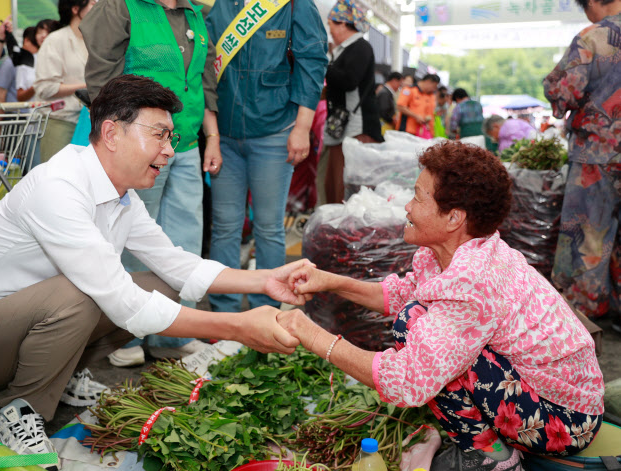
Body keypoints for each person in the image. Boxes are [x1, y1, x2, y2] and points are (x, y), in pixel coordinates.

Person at [0, 74, 309, 458]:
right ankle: (17, 410)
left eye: (171, 138)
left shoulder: (121, 195)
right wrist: (238, 328)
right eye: (159, 135)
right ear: (111, 133)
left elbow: (177, 265)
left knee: (160, 285)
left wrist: (266, 281)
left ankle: (61, 376)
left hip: (22, 330)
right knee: (82, 293)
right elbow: (120, 299)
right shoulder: (58, 186)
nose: (169, 151)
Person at [278, 141, 604, 470]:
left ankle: (490, 458)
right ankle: (485, 442)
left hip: (566, 420)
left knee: (416, 327)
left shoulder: (472, 283)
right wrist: (328, 281)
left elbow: (407, 381)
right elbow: (403, 295)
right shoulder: (461, 252)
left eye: (418, 197)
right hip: (538, 392)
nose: (407, 207)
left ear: (453, 218)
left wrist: (311, 334)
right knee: (416, 317)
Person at [79, 0, 224, 364]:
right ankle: (122, 337)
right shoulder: (120, 7)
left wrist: (213, 137)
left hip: (186, 142)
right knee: (129, 238)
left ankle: (173, 336)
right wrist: (114, 142)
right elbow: (100, 80)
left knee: (185, 238)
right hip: (137, 145)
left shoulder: (195, 15)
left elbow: (204, 85)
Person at [204, 0, 328, 313]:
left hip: (275, 130)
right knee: (224, 226)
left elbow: (311, 62)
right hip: (225, 132)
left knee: (269, 227)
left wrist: (302, 127)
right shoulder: (215, 5)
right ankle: (224, 311)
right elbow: (204, 69)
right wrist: (212, 135)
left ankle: (268, 309)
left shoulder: (294, 4)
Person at [544, 0, 621, 334]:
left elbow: (564, 90)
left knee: (590, 235)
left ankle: (585, 319)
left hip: (599, 155)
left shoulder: (593, 37)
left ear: (591, 3)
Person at [321, 0, 377, 204]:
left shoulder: (360, 47)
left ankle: (342, 229)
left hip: (356, 128)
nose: (330, 31)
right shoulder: (342, 50)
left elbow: (349, 80)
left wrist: (323, 62)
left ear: (343, 24)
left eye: (331, 25)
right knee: (334, 181)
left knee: (345, 184)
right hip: (341, 127)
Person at [34, 0, 93, 162]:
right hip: (61, 121)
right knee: (56, 177)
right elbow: (45, 87)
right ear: (75, 9)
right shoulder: (56, 40)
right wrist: (86, 87)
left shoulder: (96, 41)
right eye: (92, 4)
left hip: (90, 123)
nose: (98, 8)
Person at [396, 73, 440, 138]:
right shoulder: (409, 90)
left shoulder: (431, 96)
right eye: (434, 86)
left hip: (422, 133)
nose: (434, 89)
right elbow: (400, 106)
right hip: (407, 131)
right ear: (428, 82)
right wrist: (416, 116)